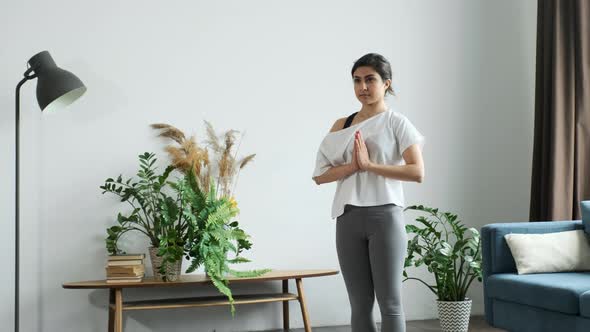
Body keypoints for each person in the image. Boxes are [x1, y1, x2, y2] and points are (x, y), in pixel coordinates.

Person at [311, 53, 425, 332]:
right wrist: (353, 166)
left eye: (370, 80)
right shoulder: (342, 125)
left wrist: (371, 165)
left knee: (390, 303)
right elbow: (320, 176)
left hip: (385, 216)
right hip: (347, 218)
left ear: (386, 83)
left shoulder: (396, 122)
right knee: (360, 304)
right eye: (357, 80)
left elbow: (417, 172)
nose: (363, 87)